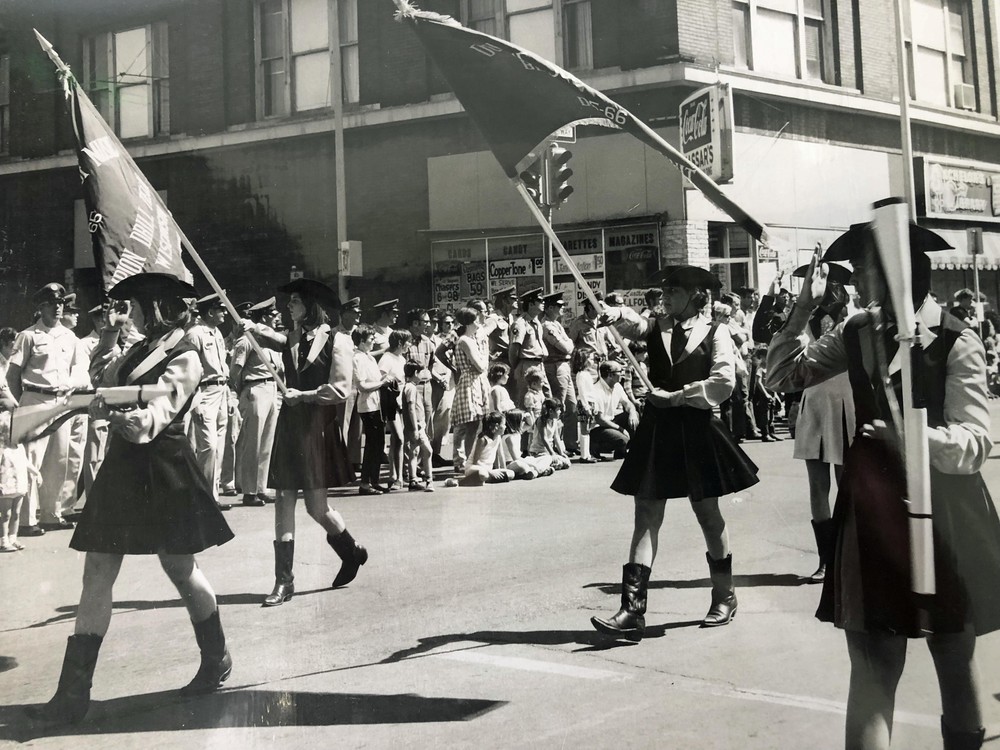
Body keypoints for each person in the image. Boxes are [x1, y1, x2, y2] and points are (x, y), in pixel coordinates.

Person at [766, 222, 1000, 750]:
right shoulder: (857, 330)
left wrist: (911, 439)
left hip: (946, 511)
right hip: (872, 510)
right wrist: (802, 309)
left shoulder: (957, 339)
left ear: (898, 269)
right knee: (873, 665)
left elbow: (974, 444)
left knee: (952, 651)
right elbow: (781, 376)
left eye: (864, 268)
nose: (855, 281)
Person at [26, 273, 236, 727]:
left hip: (164, 466)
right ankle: (73, 694)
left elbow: (153, 419)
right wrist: (107, 339)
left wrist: (115, 415)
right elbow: (101, 380)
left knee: (180, 568)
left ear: (156, 307)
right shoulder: (140, 348)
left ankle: (216, 657)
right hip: (124, 466)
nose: (129, 313)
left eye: (134, 306)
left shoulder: (186, 355)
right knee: (98, 568)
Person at [591, 266, 759, 641]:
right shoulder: (657, 325)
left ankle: (724, 596)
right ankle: (632, 611)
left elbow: (723, 382)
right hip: (659, 429)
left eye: (674, 291)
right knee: (646, 513)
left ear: (696, 296)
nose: (665, 296)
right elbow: (635, 325)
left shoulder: (716, 332)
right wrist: (615, 314)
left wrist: (678, 397)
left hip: (697, 427)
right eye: (664, 290)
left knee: (707, 513)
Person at [246, 278, 366, 607]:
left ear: (310, 306)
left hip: (316, 427)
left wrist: (305, 395)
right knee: (283, 498)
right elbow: (277, 340)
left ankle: (351, 551)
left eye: (295, 301)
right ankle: (284, 581)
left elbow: (341, 389)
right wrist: (252, 327)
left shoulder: (338, 340)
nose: (289, 306)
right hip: (291, 425)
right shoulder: (294, 337)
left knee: (317, 508)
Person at [6, 283, 89, 534]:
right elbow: (13, 375)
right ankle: (26, 520)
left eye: (60, 303)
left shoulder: (70, 337)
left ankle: (51, 515)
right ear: (41, 307)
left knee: (59, 460)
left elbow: (79, 368)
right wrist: (19, 407)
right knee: (32, 460)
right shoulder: (28, 336)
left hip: (61, 402)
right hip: (35, 399)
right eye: (52, 304)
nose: (58, 308)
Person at [230, 297, 283, 507]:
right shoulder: (247, 340)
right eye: (273, 314)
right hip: (255, 389)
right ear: (264, 317)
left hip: (272, 389)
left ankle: (261, 488)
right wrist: (241, 394)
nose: (277, 317)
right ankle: (249, 491)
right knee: (253, 444)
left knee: (267, 443)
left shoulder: (272, 340)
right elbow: (235, 372)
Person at [187, 292, 233, 511]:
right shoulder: (195, 334)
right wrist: (195, 401)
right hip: (204, 392)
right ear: (210, 312)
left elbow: (223, 366)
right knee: (208, 446)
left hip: (222, 390)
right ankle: (203, 497)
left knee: (219, 447)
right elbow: (190, 371)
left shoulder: (217, 333)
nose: (224, 313)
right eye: (220, 309)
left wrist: (229, 396)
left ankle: (212, 496)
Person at [450, 304, 491, 472]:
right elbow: (480, 365)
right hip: (471, 382)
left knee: (477, 424)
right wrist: (485, 357)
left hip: (477, 381)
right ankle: (469, 462)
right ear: (467, 323)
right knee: (471, 425)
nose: (478, 323)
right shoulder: (465, 340)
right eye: (475, 320)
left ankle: (473, 460)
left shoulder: (471, 339)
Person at [352, 324, 391, 495]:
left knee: (378, 444)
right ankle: (365, 483)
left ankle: (374, 481)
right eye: (370, 339)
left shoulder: (368, 357)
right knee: (372, 445)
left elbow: (374, 379)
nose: (373, 341)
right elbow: (362, 386)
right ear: (361, 341)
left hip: (377, 404)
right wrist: (381, 383)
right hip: (368, 406)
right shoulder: (358, 358)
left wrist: (384, 379)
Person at [541, 291, 578, 455]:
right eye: (558, 306)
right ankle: (557, 444)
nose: (561, 308)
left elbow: (569, 344)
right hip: (555, 365)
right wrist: (568, 342)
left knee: (571, 406)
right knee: (558, 406)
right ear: (549, 308)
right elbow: (566, 347)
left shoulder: (556, 324)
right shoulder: (547, 326)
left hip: (564, 365)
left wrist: (568, 342)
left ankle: (570, 444)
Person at [588, 360, 639, 460]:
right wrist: (621, 429)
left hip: (610, 422)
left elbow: (627, 403)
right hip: (597, 429)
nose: (622, 374)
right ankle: (595, 447)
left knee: (634, 415)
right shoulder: (596, 391)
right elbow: (600, 419)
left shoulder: (617, 386)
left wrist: (632, 413)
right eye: (620, 371)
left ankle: (621, 452)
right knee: (623, 439)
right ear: (610, 375)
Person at [379, 329, 410, 489]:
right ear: (399, 343)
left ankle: (394, 475)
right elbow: (380, 377)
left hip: (401, 402)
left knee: (396, 440)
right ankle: (397, 478)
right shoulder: (387, 358)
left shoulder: (401, 359)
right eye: (407, 342)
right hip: (390, 402)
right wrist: (391, 380)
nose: (409, 344)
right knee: (399, 438)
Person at [509, 288, 548, 405]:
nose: (543, 303)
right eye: (539, 301)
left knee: (545, 399)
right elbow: (514, 350)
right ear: (531, 304)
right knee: (527, 401)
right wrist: (519, 367)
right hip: (527, 365)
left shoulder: (537, 323)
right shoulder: (520, 323)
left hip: (539, 364)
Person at [402, 360, 435, 492]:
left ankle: (413, 480)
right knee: (428, 451)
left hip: (416, 426)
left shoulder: (409, 387)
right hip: (416, 427)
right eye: (421, 372)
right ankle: (428, 480)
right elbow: (411, 409)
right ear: (416, 373)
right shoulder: (411, 388)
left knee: (414, 452)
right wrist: (416, 428)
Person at [457, 411, 513, 486]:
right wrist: (490, 471)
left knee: (511, 474)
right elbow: (475, 462)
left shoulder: (498, 437)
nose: (505, 427)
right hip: (474, 468)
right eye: (504, 424)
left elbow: (501, 455)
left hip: (488, 470)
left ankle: (482, 480)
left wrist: (504, 471)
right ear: (496, 426)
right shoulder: (482, 439)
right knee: (483, 474)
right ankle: (461, 482)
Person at [572, 347, 600, 463]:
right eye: (591, 359)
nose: (593, 362)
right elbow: (582, 392)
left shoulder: (587, 374)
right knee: (584, 429)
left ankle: (587, 454)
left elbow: (591, 391)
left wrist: (595, 404)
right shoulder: (581, 375)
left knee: (588, 429)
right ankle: (584, 456)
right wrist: (586, 406)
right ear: (584, 360)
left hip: (590, 402)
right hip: (585, 403)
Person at [528, 398, 571, 470]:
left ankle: (547, 465)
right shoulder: (541, 420)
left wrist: (561, 453)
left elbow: (556, 437)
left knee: (567, 463)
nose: (560, 412)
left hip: (547, 452)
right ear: (551, 411)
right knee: (554, 461)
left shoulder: (555, 420)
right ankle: (541, 467)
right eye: (558, 410)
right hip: (538, 452)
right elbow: (544, 438)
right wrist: (552, 453)